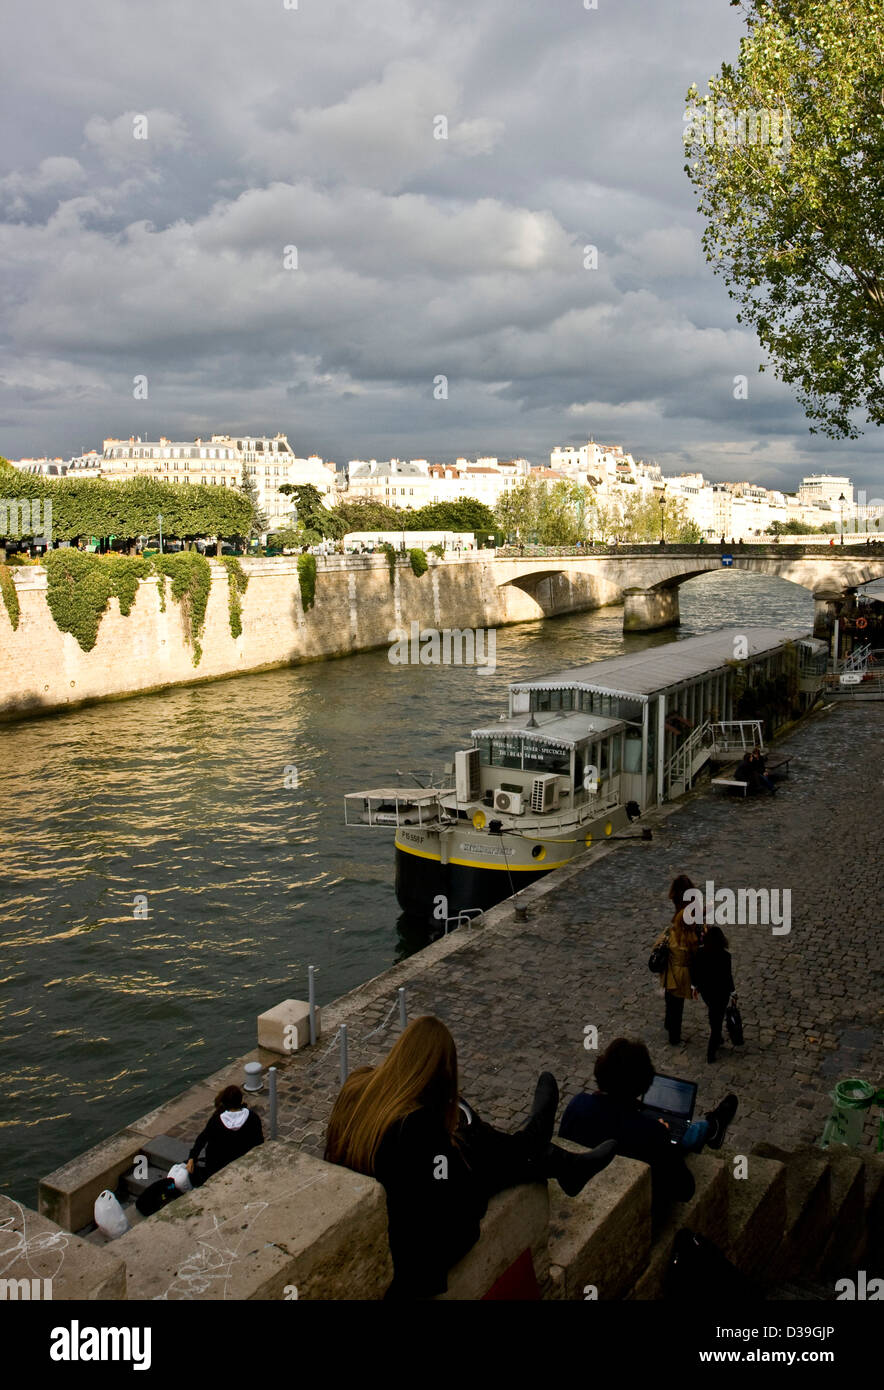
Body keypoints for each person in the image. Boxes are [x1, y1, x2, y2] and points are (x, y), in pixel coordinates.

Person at [324, 1015, 617, 1299]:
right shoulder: (417, 1128)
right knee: (477, 1145)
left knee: (469, 1131)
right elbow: (462, 1214)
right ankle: (544, 1150)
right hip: (420, 1257)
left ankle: (542, 1148)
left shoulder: (358, 1087)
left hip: (390, 1210)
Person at [560, 1039, 738, 1208]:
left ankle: (710, 1127)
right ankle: (711, 1127)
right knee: (685, 1135)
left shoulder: (578, 1105)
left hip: (584, 1192)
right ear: (643, 1086)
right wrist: (664, 1136)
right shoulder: (651, 1132)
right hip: (639, 1208)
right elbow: (685, 1189)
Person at [652, 875, 702, 1045]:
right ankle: (674, 1036)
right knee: (676, 1005)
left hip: (672, 966)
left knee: (671, 1000)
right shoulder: (690, 916)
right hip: (680, 968)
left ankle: (669, 1025)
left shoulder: (679, 920)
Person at [186, 1085, 264, 1183]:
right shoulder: (253, 1117)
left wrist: (192, 1158)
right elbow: (259, 1142)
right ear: (240, 1100)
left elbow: (202, 1139)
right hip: (245, 1163)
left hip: (217, 1166)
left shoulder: (216, 1120)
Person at [691, 927, 736, 1064]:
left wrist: (695, 986)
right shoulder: (725, 956)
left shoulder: (700, 952)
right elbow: (728, 977)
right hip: (721, 993)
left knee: (713, 1014)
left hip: (707, 991)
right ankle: (711, 1051)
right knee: (717, 1019)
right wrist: (733, 992)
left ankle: (719, 1038)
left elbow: (695, 971)